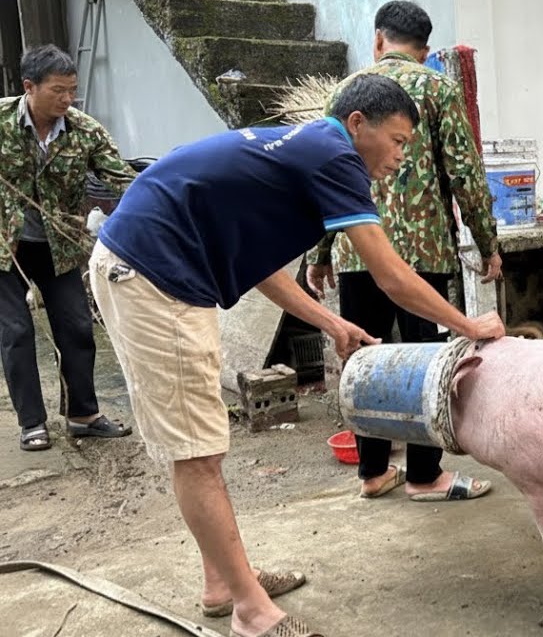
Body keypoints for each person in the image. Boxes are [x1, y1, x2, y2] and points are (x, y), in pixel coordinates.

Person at [89, 74, 505, 637]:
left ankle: (222, 584)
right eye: (400, 141)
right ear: (358, 125)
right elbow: (390, 276)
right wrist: (466, 325)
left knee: (198, 445)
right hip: (153, 274)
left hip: (157, 267)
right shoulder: (334, 156)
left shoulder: (308, 151)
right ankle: (251, 612)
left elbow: (255, 261)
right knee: (197, 451)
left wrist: (330, 320)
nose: (402, 158)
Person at [307, 0, 500, 502]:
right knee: (426, 360)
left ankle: (372, 471)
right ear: (425, 49)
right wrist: (487, 243)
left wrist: (319, 253)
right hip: (422, 252)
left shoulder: (347, 93)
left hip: (355, 250)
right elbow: (465, 173)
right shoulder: (438, 87)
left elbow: (324, 175)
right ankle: (423, 475)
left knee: (365, 355)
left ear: (377, 40)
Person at [0, 45, 133, 452]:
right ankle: (32, 423)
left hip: (58, 244)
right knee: (17, 331)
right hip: (5, 247)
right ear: (29, 87)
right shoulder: (2, 121)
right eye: (58, 90)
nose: (67, 99)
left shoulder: (84, 130)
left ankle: (83, 415)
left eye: (72, 90)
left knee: (76, 327)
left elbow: (123, 178)